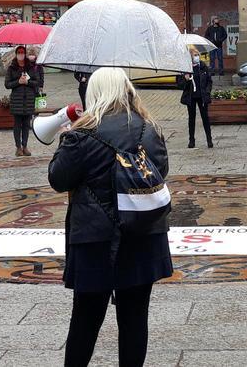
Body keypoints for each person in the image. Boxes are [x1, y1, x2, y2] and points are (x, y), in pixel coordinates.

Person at [47, 68, 173, 367]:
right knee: (134, 318)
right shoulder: (149, 127)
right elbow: (160, 172)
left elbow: (58, 179)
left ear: (94, 92)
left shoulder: (81, 134)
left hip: (94, 238)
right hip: (143, 231)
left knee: (85, 319)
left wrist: (63, 140)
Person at [4, 45, 43, 157]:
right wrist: (18, 82)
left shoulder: (30, 67)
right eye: (19, 52)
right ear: (16, 54)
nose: (21, 54)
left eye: (22, 52)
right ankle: (18, 147)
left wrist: (28, 82)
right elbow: (7, 84)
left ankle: (25, 146)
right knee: (17, 125)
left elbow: (37, 81)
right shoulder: (12, 68)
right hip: (17, 100)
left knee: (26, 125)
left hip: (29, 100)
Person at [181, 47, 213, 149]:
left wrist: (207, 92)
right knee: (191, 118)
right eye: (195, 55)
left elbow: (209, 81)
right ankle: (191, 140)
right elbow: (180, 85)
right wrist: (186, 79)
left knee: (205, 118)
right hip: (191, 97)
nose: (197, 57)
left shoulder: (203, 66)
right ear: (190, 57)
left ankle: (209, 139)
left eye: (197, 55)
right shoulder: (186, 68)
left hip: (202, 96)